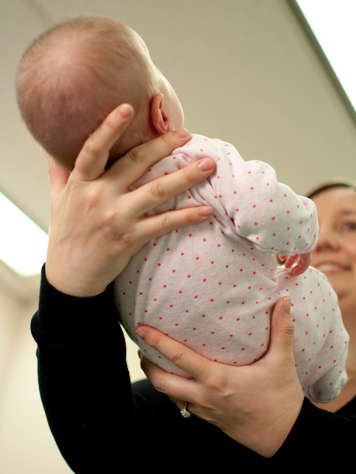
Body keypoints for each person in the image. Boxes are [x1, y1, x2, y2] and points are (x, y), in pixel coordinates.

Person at [17, 17, 348, 403]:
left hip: (193, 385)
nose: (327, 241)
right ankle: (329, 379)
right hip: (291, 343)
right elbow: (267, 209)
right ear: (162, 113)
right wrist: (304, 229)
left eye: (352, 226)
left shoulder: (111, 244)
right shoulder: (197, 159)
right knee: (317, 292)